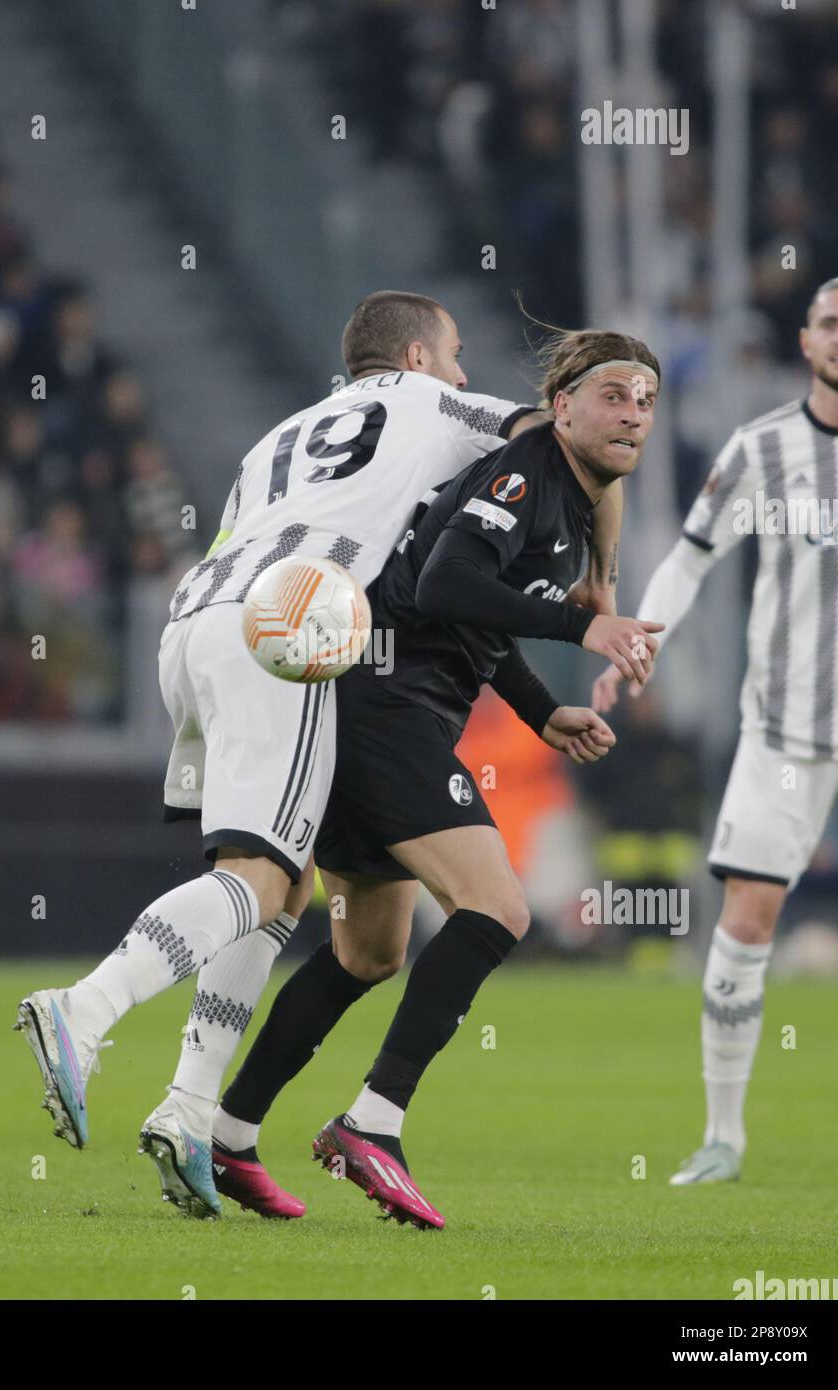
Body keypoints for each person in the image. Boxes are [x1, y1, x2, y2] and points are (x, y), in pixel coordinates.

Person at [17, 291, 627, 1217]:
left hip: (193, 626)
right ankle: (86, 1010)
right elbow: (561, 429)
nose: (465, 373)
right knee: (266, 882)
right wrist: (598, 590)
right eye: (456, 354)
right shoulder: (429, 403)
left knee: (272, 888)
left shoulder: (279, 436)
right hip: (290, 625)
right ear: (419, 356)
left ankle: (194, 1115)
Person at [208, 327, 663, 1226]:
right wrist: (584, 629)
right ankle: (371, 1124)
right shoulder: (525, 472)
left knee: (367, 953)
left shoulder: (566, 493)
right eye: (613, 394)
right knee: (497, 908)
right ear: (560, 404)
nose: (633, 414)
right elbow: (445, 587)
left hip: (374, 701)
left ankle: (225, 1136)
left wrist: (542, 714)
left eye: (646, 401)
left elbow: (472, 628)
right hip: (388, 707)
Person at [592, 274, 838, 1186]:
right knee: (747, 919)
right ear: (805, 340)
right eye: (828, 322)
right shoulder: (764, 449)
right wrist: (640, 640)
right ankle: (723, 1137)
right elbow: (691, 557)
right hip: (781, 725)